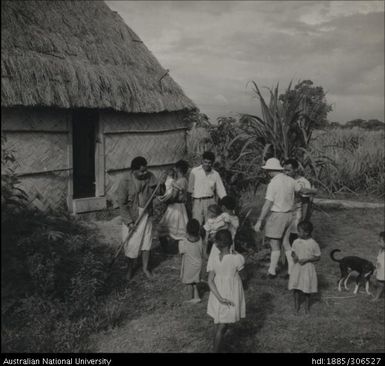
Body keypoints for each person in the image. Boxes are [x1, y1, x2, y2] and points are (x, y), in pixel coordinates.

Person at [254, 158, 303, 279]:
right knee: (286, 243)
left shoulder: (273, 183)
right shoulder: (291, 180)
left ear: (270, 171)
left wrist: (260, 220)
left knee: (274, 245)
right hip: (289, 215)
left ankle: (271, 271)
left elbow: (267, 204)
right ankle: (291, 270)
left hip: (278, 215)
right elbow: (300, 190)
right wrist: (313, 191)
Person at [116, 156, 157, 280]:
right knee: (131, 243)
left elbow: (158, 191)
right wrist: (129, 223)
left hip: (146, 213)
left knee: (146, 241)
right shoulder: (125, 181)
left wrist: (162, 186)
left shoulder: (150, 176)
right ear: (133, 170)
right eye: (141, 171)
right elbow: (122, 204)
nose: (144, 173)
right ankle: (129, 269)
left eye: (145, 170)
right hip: (132, 215)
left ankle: (145, 268)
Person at [207, 229, 246, 353]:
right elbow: (244, 276)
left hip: (217, 293)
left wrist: (219, 298)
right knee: (222, 327)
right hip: (230, 294)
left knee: (218, 324)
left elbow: (210, 281)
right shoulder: (237, 258)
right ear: (231, 242)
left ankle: (216, 347)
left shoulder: (213, 259)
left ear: (217, 243)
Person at [288, 221, 321, 314]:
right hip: (297, 268)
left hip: (307, 268)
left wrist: (307, 260)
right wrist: (294, 256)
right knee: (296, 287)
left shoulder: (313, 243)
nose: (298, 233)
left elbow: (318, 257)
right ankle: (296, 307)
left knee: (307, 288)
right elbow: (293, 251)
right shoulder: (296, 241)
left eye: (299, 231)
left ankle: (307, 308)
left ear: (306, 233)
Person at [158, 160, 190, 253]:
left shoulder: (180, 181)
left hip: (175, 207)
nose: (174, 170)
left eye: (175, 168)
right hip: (180, 207)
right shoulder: (184, 180)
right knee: (180, 228)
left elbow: (174, 196)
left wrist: (165, 200)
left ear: (178, 169)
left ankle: (169, 250)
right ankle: (180, 250)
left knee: (163, 227)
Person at [188, 151, 227, 226]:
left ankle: (207, 238)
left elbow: (221, 191)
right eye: (205, 162)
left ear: (212, 163)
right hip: (197, 202)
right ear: (202, 161)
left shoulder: (215, 174)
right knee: (196, 224)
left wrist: (226, 205)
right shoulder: (194, 171)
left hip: (210, 202)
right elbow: (189, 189)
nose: (207, 164)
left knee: (210, 225)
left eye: (209, 163)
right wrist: (189, 204)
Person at [283, 159, 317, 245]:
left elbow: (306, 202)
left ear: (296, 169)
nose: (286, 173)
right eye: (285, 170)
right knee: (285, 237)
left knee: (296, 236)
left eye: (288, 170)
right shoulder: (285, 180)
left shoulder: (303, 182)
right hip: (286, 212)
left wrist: (304, 220)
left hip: (297, 213)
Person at [179, 219, 204, 304]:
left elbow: (181, 253)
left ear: (187, 229)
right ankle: (197, 297)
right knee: (195, 282)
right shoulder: (200, 239)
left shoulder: (184, 241)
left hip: (189, 265)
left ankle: (189, 298)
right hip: (198, 264)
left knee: (189, 282)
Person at [372, 231, 385, 302]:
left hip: (383, 272)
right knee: (379, 282)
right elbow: (378, 259)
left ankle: (377, 297)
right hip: (380, 270)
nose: (378, 242)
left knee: (380, 284)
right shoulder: (381, 250)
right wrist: (376, 269)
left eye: (380, 241)